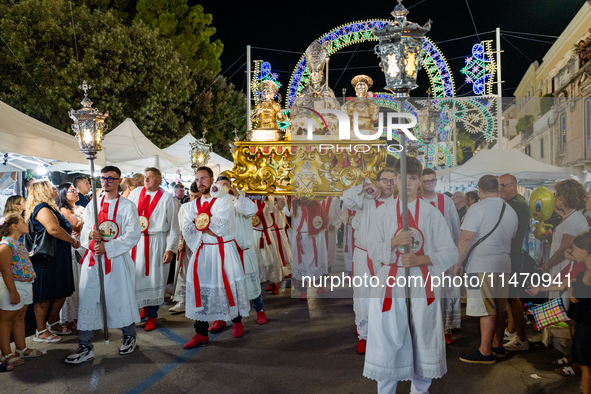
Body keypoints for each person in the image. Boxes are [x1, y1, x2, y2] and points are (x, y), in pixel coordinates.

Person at [364, 156, 458, 393]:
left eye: (413, 178)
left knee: (423, 336)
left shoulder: (431, 213)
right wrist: (394, 242)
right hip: (390, 282)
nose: (407, 183)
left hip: (421, 280)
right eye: (402, 177)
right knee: (389, 336)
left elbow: (449, 252)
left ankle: (420, 390)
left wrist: (421, 259)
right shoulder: (382, 212)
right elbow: (372, 248)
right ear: (394, 179)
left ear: (419, 182)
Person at [65, 166, 142, 364]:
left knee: (119, 296)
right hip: (93, 260)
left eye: (110, 178)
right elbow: (85, 230)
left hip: (116, 260)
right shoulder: (93, 205)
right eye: (103, 178)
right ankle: (85, 345)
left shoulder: (127, 206)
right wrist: (91, 236)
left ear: (118, 181)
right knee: (89, 299)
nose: (106, 182)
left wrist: (108, 248)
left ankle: (129, 336)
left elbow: (133, 234)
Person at [182, 166, 250, 348]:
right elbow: (187, 227)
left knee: (227, 285)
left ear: (212, 179)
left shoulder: (224, 199)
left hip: (223, 251)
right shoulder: (192, 204)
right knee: (201, 289)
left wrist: (201, 224)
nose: (200, 183)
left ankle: (236, 321)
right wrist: (205, 225)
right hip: (202, 251)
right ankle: (200, 333)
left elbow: (221, 226)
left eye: (203, 178)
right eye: (197, 179)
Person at [454, 175, 518, 364]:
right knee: (499, 309)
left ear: (479, 190)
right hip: (504, 264)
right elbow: (513, 235)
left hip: (482, 265)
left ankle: (485, 351)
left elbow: (466, 238)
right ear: (498, 189)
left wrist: (457, 263)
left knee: (485, 309)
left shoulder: (477, 209)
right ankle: (498, 346)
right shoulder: (510, 209)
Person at [343, 167, 397, 354]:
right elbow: (347, 197)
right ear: (378, 182)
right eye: (385, 180)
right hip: (364, 256)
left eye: (392, 180)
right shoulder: (365, 201)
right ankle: (364, 335)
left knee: (386, 296)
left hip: (388, 258)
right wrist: (366, 187)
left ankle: (385, 334)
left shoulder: (399, 204)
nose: (388, 183)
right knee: (363, 294)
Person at [25, 180, 79, 342]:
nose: (55, 188)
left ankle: (53, 322)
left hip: (58, 257)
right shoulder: (41, 208)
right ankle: (41, 330)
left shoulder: (49, 207)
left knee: (60, 291)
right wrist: (72, 240)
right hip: (46, 258)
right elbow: (53, 230)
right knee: (45, 295)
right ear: (42, 191)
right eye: (51, 186)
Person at [127, 167, 179, 331]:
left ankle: (152, 315)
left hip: (157, 241)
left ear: (158, 179)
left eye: (150, 177)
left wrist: (170, 248)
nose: (146, 180)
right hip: (137, 242)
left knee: (154, 278)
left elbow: (174, 226)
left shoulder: (166, 198)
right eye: (145, 177)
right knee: (137, 276)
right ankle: (142, 309)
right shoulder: (135, 193)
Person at [216, 175, 267, 325]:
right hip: (226, 251)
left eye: (226, 185)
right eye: (220, 186)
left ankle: (259, 310)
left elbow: (251, 211)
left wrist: (237, 195)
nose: (223, 188)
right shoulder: (216, 204)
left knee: (252, 283)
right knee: (225, 286)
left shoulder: (242, 200)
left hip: (244, 250)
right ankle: (224, 317)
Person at [0, 213, 43, 368]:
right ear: (14, 226)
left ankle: (21, 348)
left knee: (19, 317)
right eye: (23, 221)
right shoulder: (6, 246)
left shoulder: (18, 243)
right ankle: (6, 353)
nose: (27, 224)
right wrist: (12, 291)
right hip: (13, 286)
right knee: (6, 321)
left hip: (24, 285)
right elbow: (5, 270)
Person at [498, 174, 531, 352]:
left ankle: (522, 338)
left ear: (514, 186)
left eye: (503, 185)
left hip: (513, 255)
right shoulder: (515, 203)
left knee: (512, 296)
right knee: (510, 297)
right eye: (498, 185)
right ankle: (513, 331)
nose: (500, 188)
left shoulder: (515, 204)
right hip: (512, 254)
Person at [543, 179, 588, 300]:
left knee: (561, 303)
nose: (555, 198)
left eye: (558, 195)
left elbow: (563, 249)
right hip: (559, 266)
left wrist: (547, 266)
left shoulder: (574, 220)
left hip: (565, 267)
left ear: (566, 198)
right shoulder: (569, 217)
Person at [285, 196, 329, 300]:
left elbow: (321, 221)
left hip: (315, 238)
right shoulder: (294, 204)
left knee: (318, 261)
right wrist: (290, 200)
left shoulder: (316, 204)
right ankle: (303, 290)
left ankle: (320, 284)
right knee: (301, 266)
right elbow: (288, 213)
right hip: (301, 240)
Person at [55, 183, 85, 331]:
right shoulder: (63, 209)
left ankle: (80, 315)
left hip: (83, 246)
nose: (75, 192)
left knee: (82, 283)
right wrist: (86, 220)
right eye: (72, 191)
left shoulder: (78, 208)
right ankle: (69, 318)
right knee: (75, 282)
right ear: (63, 195)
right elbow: (76, 225)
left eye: (75, 190)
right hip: (74, 248)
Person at [170, 182, 200, 314]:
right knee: (184, 272)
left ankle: (200, 299)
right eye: (192, 196)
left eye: (197, 196)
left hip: (202, 245)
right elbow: (179, 227)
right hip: (186, 245)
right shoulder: (185, 207)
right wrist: (179, 243)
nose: (193, 199)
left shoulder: (207, 206)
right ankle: (182, 300)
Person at [254, 196, 283, 295]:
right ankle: (257, 284)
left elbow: (271, 209)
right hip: (254, 233)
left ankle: (273, 282)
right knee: (257, 260)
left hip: (266, 232)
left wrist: (266, 197)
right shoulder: (249, 200)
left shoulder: (267, 199)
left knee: (272, 259)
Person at [321, 197, 341, 273]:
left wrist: (334, 224)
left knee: (330, 252)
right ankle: (319, 273)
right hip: (319, 233)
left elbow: (340, 216)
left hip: (330, 232)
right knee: (319, 252)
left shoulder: (333, 202)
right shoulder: (316, 200)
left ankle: (327, 273)